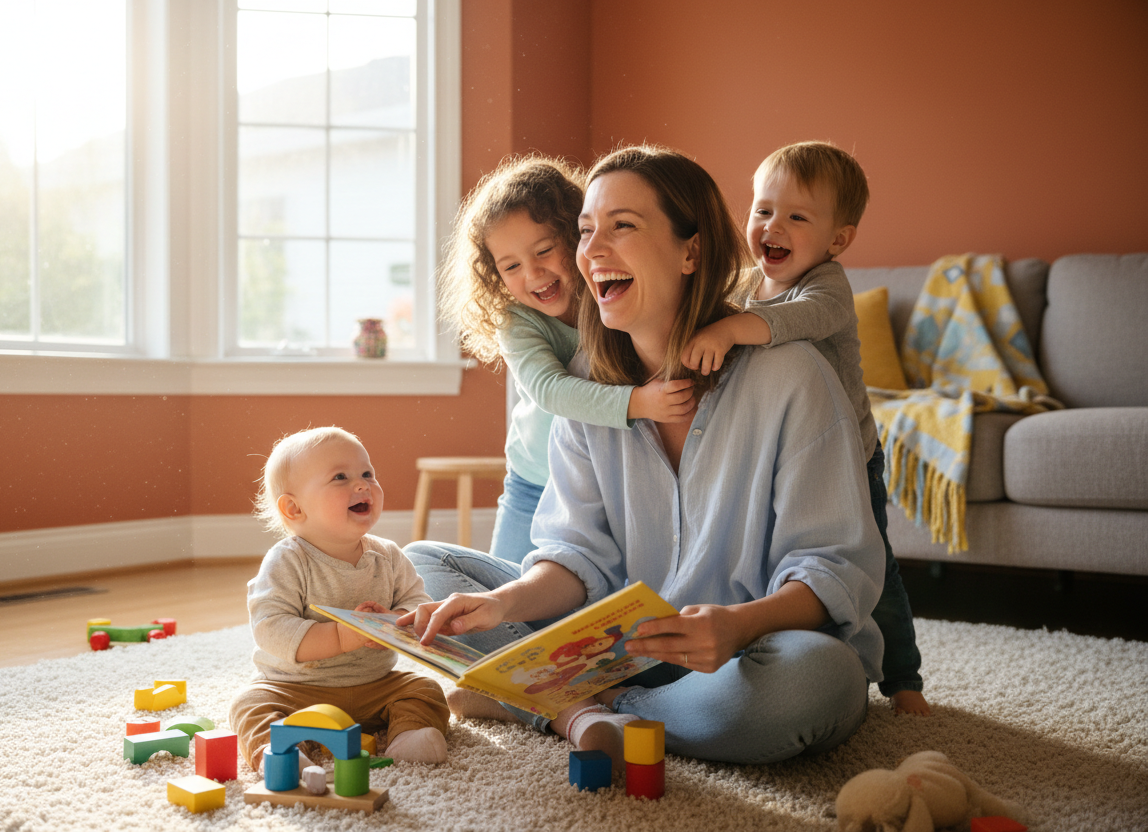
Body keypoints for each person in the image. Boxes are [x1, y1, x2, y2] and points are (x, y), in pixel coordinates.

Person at [401, 145, 885, 768]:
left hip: (745, 656)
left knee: (818, 681)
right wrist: (506, 604)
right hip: (615, 644)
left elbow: (831, 564)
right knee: (424, 563)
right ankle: (582, 708)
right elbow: (578, 557)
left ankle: (562, 705)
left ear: (691, 250)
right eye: (584, 231)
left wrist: (738, 626)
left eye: (621, 226)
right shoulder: (586, 384)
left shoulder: (792, 375)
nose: (592, 250)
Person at [680, 141, 930, 716]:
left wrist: (731, 329)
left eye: (797, 216)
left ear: (837, 239)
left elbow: (801, 320)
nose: (774, 226)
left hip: (847, 457)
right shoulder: (742, 285)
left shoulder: (827, 287)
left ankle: (904, 678)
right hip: (778, 453)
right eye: (763, 210)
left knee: (875, 567)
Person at [437, 156, 696, 565]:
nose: (533, 273)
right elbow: (549, 390)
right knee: (506, 589)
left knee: (589, 585)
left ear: (576, 238)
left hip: (602, 482)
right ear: (494, 275)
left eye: (544, 250)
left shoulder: (612, 294)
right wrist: (639, 403)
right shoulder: (517, 320)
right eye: (511, 267)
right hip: (534, 481)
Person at [228, 427, 450, 773]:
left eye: (367, 474)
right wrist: (344, 636)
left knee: (425, 690)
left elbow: (417, 604)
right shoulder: (287, 560)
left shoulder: (388, 556)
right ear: (294, 508)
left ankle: (407, 738)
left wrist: (395, 621)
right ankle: (280, 753)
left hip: (376, 686)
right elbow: (270, 628)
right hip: (295, 689)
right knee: (250, 703)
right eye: (340, 477)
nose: (362, 485)